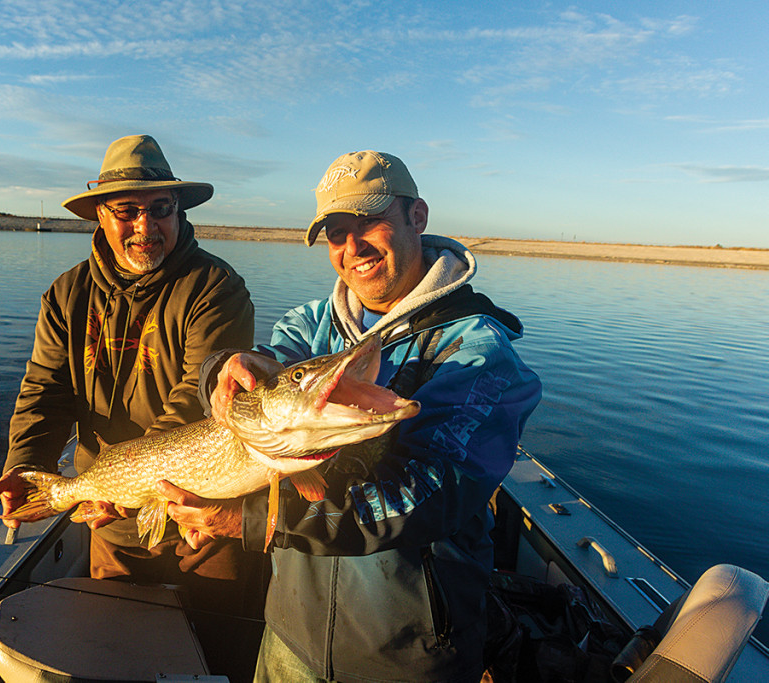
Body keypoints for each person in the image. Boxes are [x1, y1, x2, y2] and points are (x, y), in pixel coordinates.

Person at [158, 150, 543, 682]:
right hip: (291, 634)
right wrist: (222, 367)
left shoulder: (478, 353)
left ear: (418, 216)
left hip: (407, 653)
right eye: (337, 233)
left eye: (370, 223)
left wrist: (252, 521)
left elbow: (426, 495)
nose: (353, 247)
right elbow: (253, 405)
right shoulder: (309, 326)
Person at [0, 134, 258, 614]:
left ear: (179, 212)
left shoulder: (216, 288)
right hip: (110, 519)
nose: (145, 225)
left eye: (161, 207)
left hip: (206, 511)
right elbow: (45, 391)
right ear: (100, 215)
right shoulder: (66, 294)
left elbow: (202, 389)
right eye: (127, 210)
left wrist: (126, 479)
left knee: (217, 637)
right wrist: (24, 468)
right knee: (115, 638)